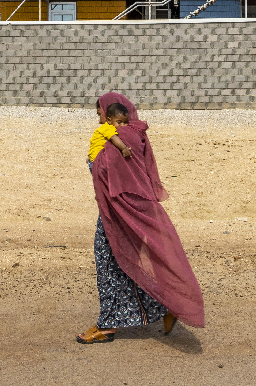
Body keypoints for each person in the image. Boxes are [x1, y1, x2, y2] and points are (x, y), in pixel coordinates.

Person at [76, 91, 205, 344]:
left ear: (110, 113)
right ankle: (165, 306)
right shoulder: (136, 133)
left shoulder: (121, 137)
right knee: (127, 262)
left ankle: (108, 325)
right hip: (130, 208)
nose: (99, 117)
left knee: (109, 264)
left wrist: (96, 160)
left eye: (100, 112)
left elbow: (110, 170)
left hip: (120, 211)